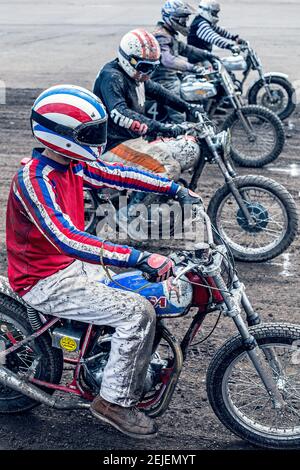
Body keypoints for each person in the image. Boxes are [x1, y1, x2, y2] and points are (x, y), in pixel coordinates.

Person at [6, 84, 201, 438]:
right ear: (62, 135)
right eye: (91, 133)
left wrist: (172, 188)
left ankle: (113, 361)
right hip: (44, 279)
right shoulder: (34, 179)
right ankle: (112, 401)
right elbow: (66, 238)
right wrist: (139, 256)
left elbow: (118, 174)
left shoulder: (73, 164)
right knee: (135, 312)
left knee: (145, 289)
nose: (98, 138)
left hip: (68, 267)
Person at [93, 28, 204, 184]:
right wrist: (164, 128)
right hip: (113, 145)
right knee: (168, 169)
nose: (149, 73)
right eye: (145, 67)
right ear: (129, 60)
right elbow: (121, 113)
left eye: (153, 67)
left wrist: (188, 107)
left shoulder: (136, 75)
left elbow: (160, 92)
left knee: (183, 153)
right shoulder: (112, 77)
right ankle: (133, 208)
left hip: (131, 141)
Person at [151, 0, 218, 122]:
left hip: (173, 76)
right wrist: (192, 67)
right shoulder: (161, 36)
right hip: (163, 81)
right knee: (178, 112)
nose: (185, 22)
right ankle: (181, 133)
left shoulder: (170, 33)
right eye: (182, 19)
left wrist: (207, 55)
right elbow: (168, 60)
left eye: (185, 19)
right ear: (172, 18)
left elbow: (186, 49)